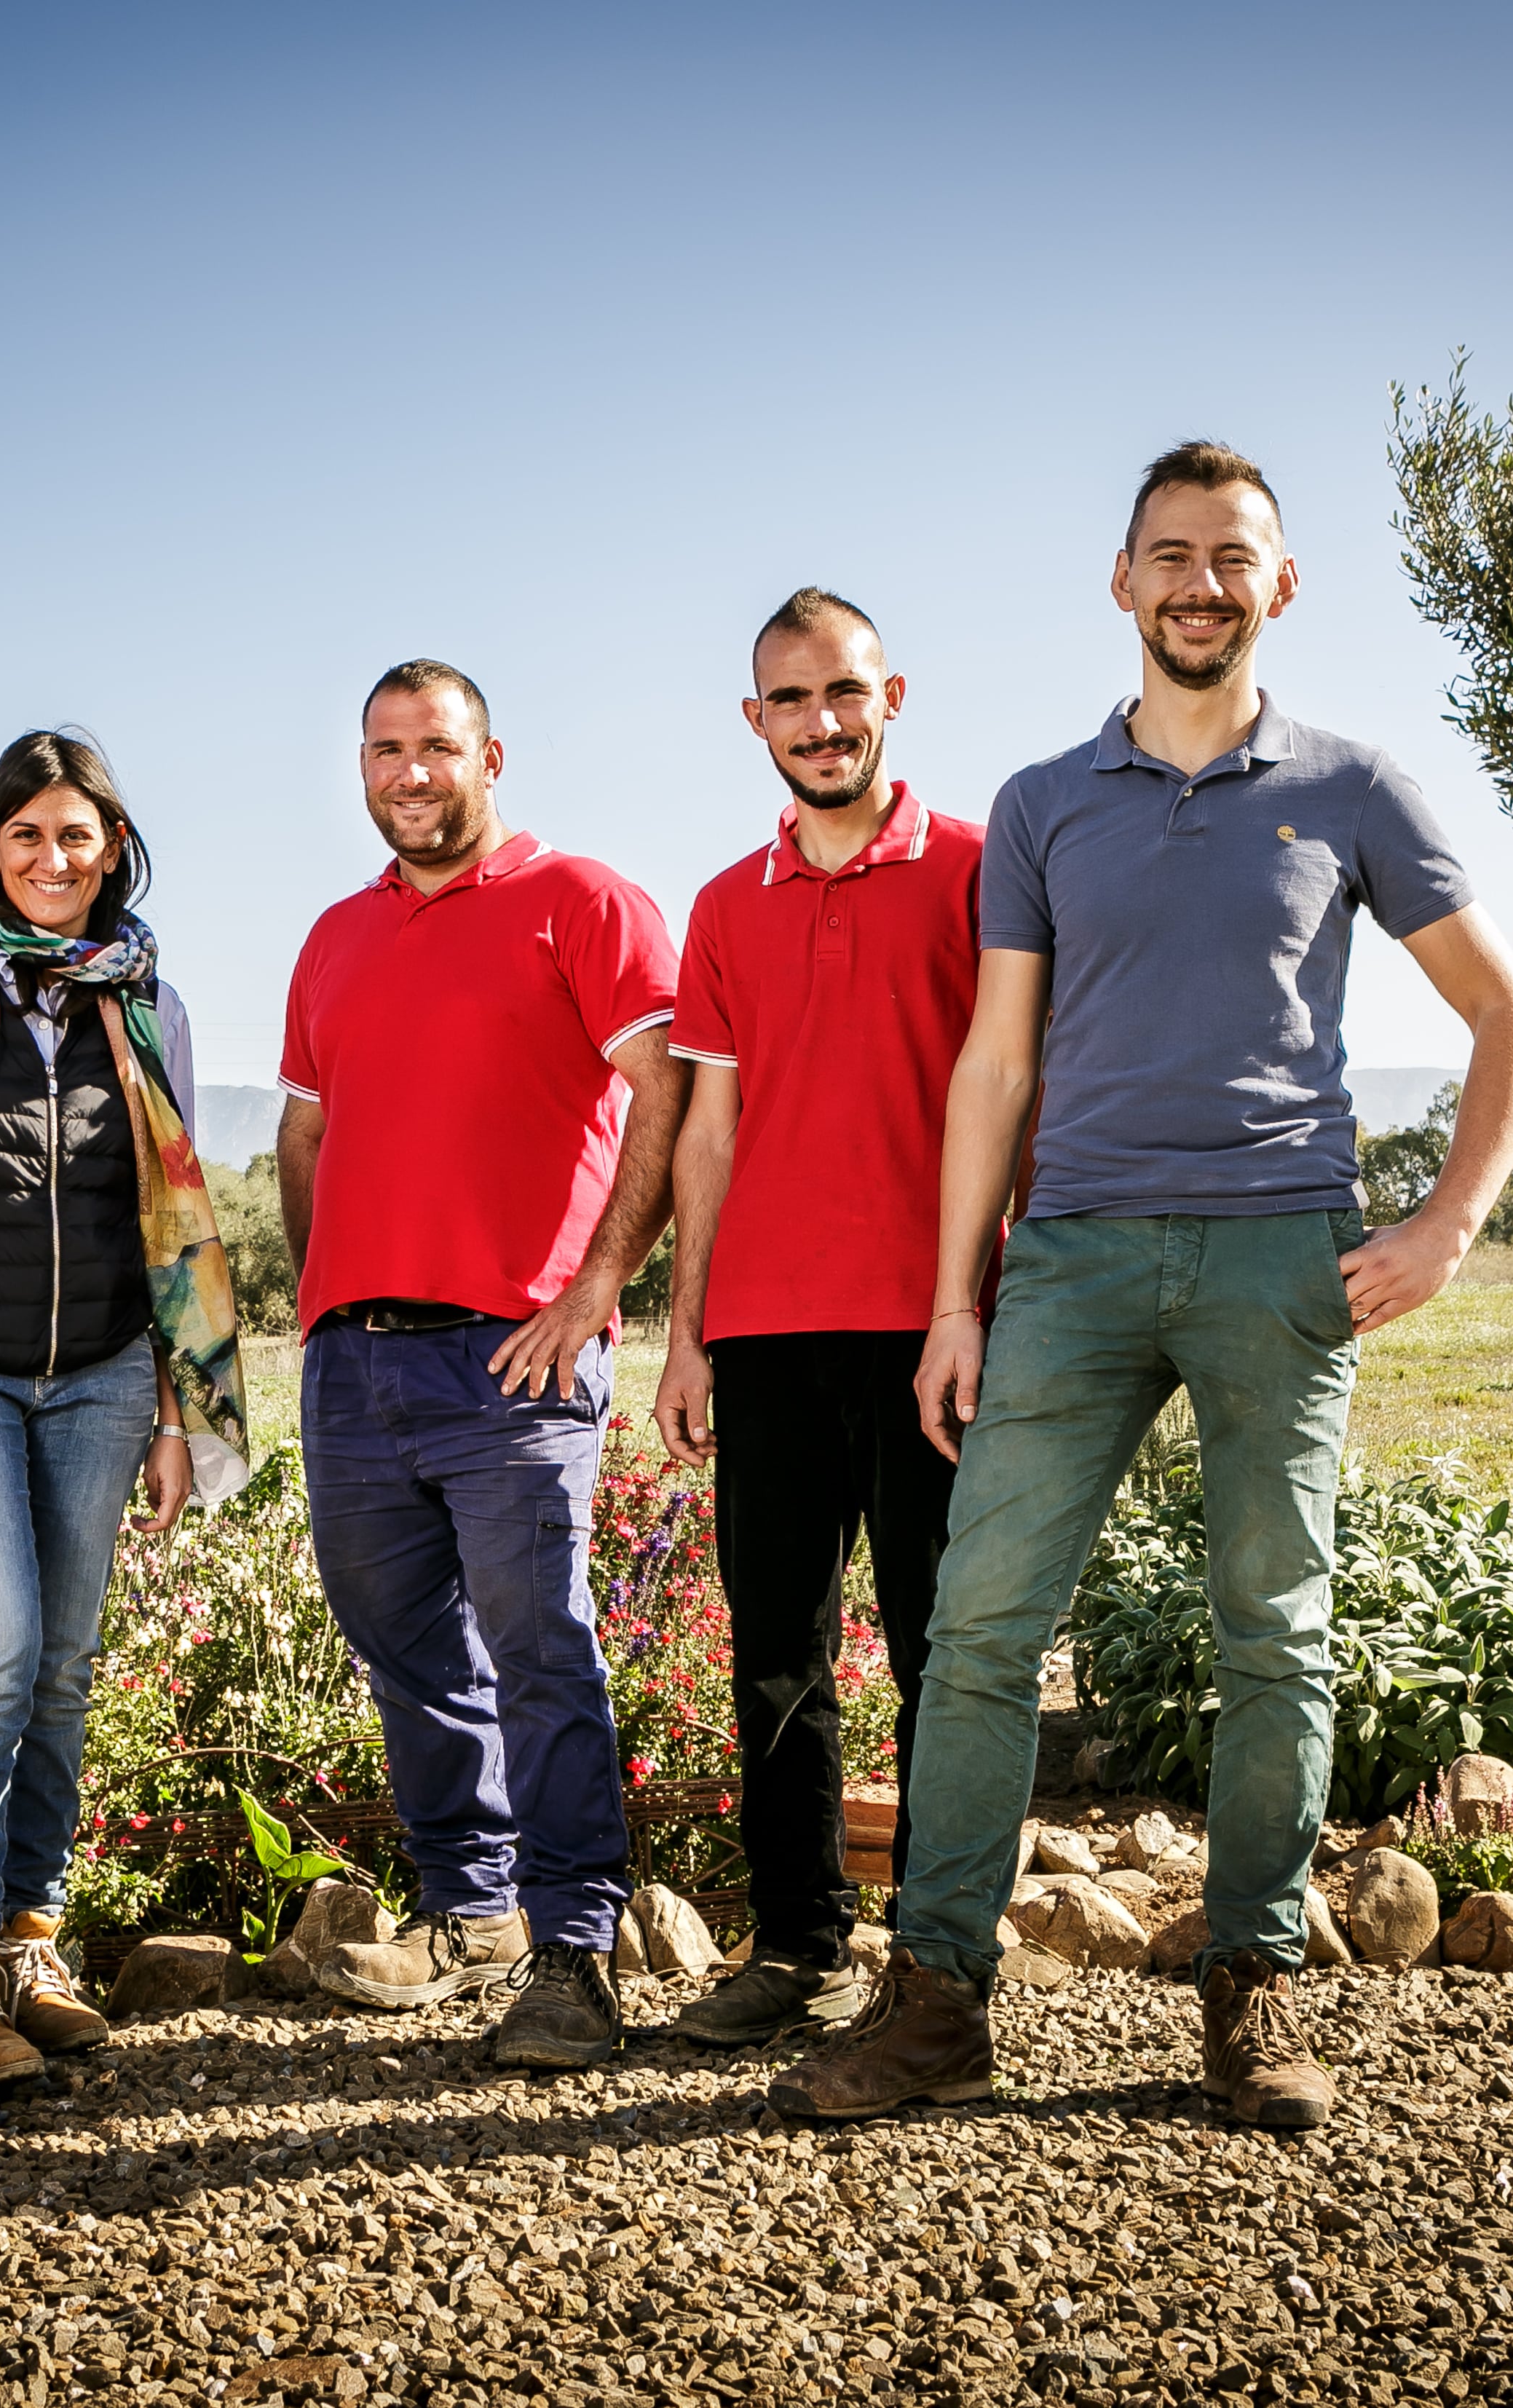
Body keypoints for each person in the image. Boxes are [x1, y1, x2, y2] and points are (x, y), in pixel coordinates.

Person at [770, 446, 1513, 2130]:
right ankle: (938, 2006)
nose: (1201, 581)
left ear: (1280, 587)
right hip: (1070, 1257)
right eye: (1170, 554)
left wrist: (1443, 1231)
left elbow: (1511, 1017)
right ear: (1120, 583)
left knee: (1276, 1633)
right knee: (980, 1632)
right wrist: (959, 1294)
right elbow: (993, 1065)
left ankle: (1253, 1990)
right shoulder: (1049, 804)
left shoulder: (1353, 788)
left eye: (1233, 556)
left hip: (1282, 1256)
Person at [280, 659, 687, 2072]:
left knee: (540, 1648)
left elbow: (670, 1091)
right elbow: (304, 1138)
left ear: (490, 756)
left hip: (515, 1361)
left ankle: (575, 1950)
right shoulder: (335, 936)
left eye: (435, 747)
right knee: (408, 1652)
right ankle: (473, 1911)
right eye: (384, 749)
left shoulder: (582, 902)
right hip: (356, 1365)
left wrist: (598, 1285)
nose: (409, 773)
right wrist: (320, 1304)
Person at [0, 729, 252, 2086]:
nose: (50, 858)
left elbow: (168, 1213)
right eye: (24, 835)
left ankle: (30, 1939)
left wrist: (170, 1411)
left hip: (98, 1371)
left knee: (66, 1663)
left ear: (111, 849)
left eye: (75, 835)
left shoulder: (149, 1006)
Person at [652, 589, 981, 2048]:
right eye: (791, 700)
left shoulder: (981, 873)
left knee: (940, 1646)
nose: (822, 722)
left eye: (843, 692)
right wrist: (683, 1332)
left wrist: (990, 1296)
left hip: (938, 1328)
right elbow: (706, 1132)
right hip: (768, 1330)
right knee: (774, 1648)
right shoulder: (725, 906)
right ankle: (798, 1947)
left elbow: (1018, 1097)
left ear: (891, 694)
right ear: (754, 721)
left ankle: (938, 1956)